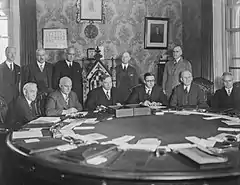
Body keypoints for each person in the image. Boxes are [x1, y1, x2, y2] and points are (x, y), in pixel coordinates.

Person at [0, 47, 20, 124]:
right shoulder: (1, 68)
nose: (12, 55)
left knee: (15, 122)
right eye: (10, 53)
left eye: (14, 53)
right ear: (6, 54)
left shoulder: (18, 68)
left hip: (15, 100)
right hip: (4, 101)